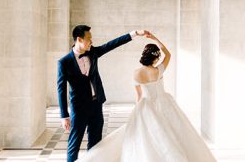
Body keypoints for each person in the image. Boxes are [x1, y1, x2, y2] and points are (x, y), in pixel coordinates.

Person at [78, 32, 216, 161]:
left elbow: (138, 95)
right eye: (157, 57)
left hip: (146, 105)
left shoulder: (136, 73)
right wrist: (155, 38)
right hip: (165, 103)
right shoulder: (158, 70)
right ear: (155, 57)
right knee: (172, 134)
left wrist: (137, 110)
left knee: (147, 136)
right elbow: (168, 54)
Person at [57, 25, 147, 162]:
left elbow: (112, 44)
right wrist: (64, 115)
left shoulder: (92, 52)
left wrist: (134, 33)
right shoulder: (64, 62)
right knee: (74, 144)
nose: (91, 41)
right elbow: (61, 89)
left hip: (96, 105)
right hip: (78, 108)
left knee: (95, 144)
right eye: (88, 38)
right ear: (79, 39)